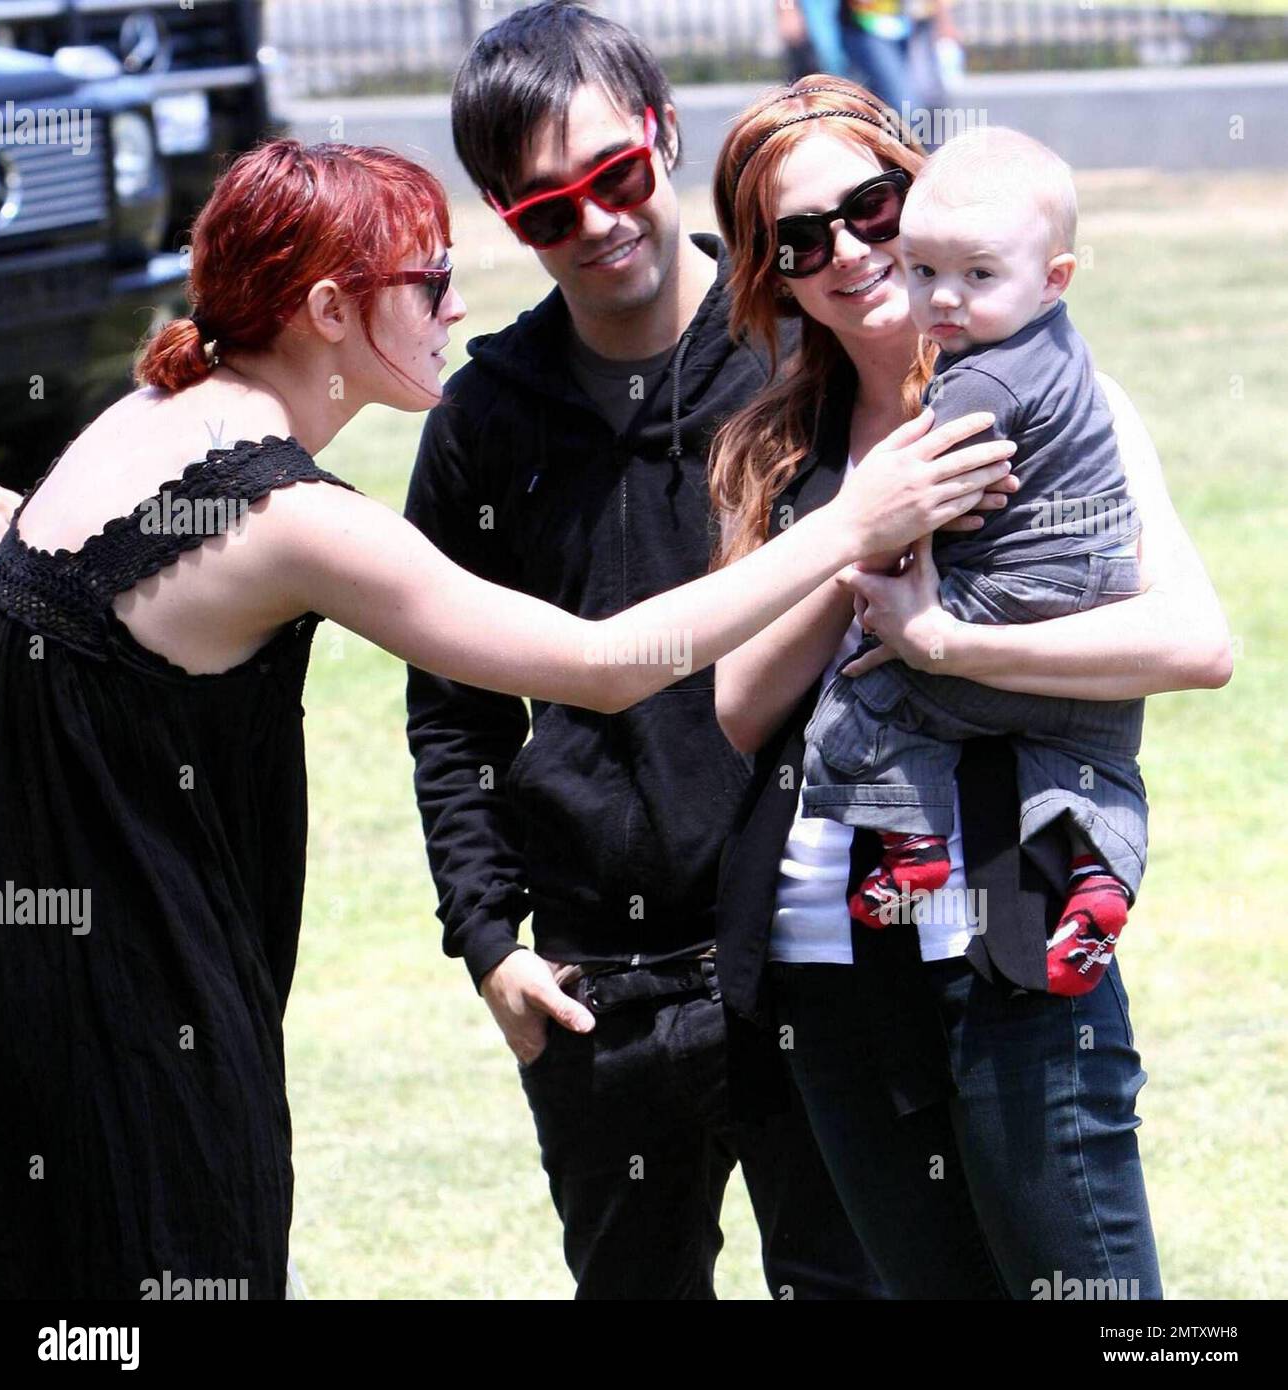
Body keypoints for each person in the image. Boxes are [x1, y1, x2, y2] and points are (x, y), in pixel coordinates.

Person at [0, 135, 1011, 1299]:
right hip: (143, 1023)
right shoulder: (289, 513)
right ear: (328, 306)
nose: (457, 303)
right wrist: (848, 526)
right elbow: (605, 661)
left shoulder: (133, 428)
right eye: (425, 281)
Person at [402, 2, 1006, 1301]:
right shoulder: (481, 424)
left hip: (801, 939)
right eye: (547, 210)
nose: (601, 222)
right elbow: (451, 715)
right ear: (505, 220)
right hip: (594, 979)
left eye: (618, 176)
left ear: (666, 135)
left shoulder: (798, 348)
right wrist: (488, 944)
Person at [709, 78, 1232, 1299]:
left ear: (920, 195)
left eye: (869, 206)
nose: (846, 249)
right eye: (797, 239)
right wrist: (861, 527)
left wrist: (946, 641)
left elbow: (1193, 643)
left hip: (1021, 874)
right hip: (825, 935)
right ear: (772, 275)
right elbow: (735, 708)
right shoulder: (771, 450)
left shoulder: (1066, 406)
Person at [802, 126, 1150, 1000]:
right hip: (1099, 584)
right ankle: (1100, 883)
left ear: (1054, 276)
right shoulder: (1066, 348)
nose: (943, 300)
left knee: (869, 698)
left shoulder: (974, 383)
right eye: (923, 272)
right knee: (1087, 742)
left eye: (977, 276)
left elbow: (920, 504)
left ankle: (913, 853)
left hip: (1016, 587)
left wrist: (886, 571)